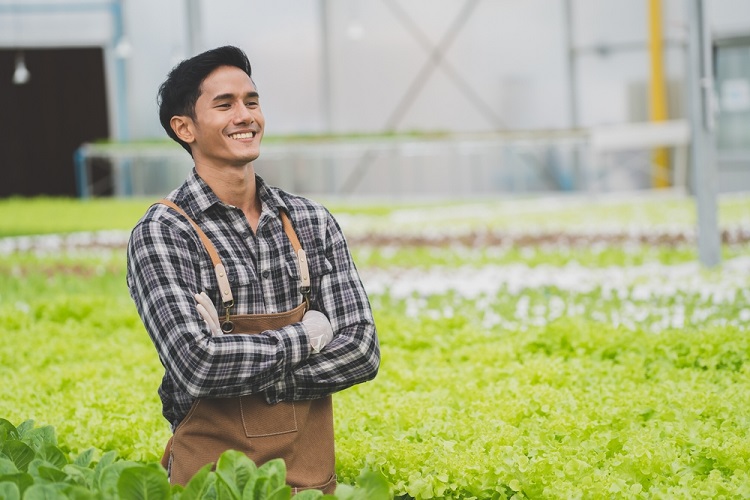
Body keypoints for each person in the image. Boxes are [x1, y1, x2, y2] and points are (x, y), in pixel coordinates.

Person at [126, 45, 380, 493]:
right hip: (211, 485)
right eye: (224, 105)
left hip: (310, 484)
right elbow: (198, 365)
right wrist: (310, 335)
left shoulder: (310, 221)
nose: (245, 115)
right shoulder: (163, 233)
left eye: (252, 101)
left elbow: (361, 350)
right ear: (184, 128)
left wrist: (241, 361)